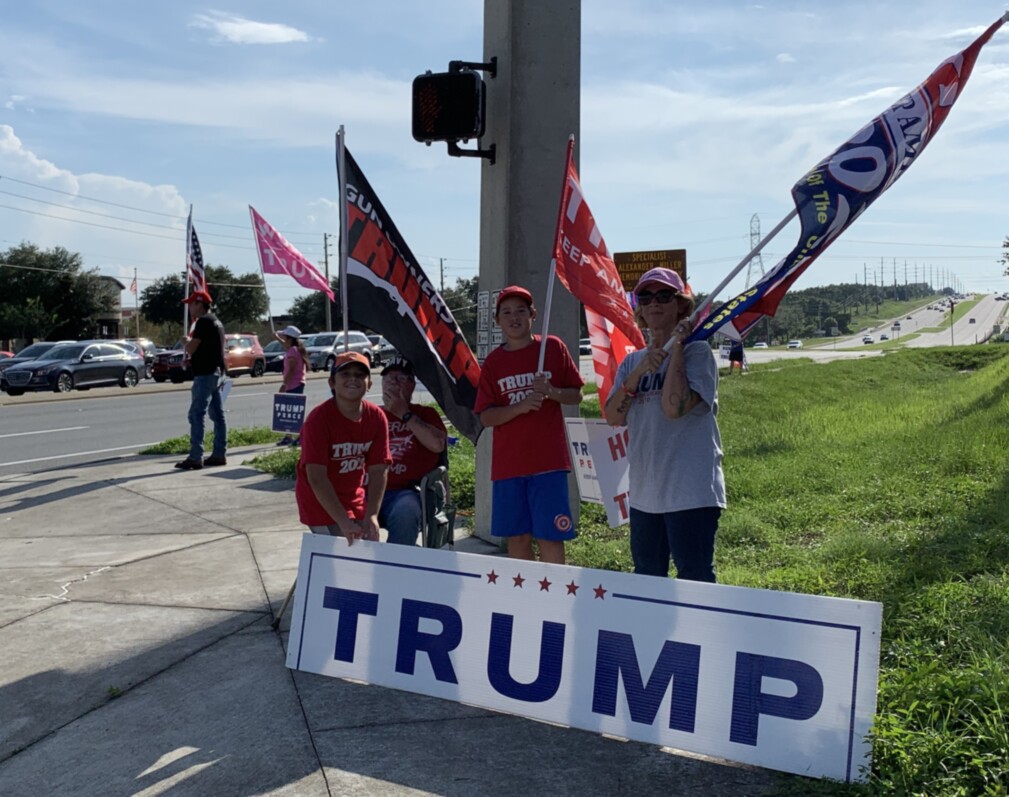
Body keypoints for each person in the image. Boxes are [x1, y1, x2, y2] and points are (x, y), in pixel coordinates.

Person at [603, 267, 725, 582]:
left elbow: (674, 408)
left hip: (690, 494)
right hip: (645, 495)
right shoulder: (633, 362)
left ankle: (697, 633)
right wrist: (638, 372)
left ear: (681, 304)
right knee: (646, 579)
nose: (654, 303)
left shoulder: (698, 353)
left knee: (694, 577)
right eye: (646, 297)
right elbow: (613, 416)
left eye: (664, 296)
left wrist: (679, 346)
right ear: (639, 308)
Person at [475, 285, 584, 564]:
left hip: (549, 464)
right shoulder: (493, 364)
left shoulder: (553, 348)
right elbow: (486, 417)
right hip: (509, 467)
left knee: (550, 535)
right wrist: (519, 407)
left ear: (533, 314)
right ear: (497, 321)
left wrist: (552, 392)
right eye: (507, 312)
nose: (514, 318)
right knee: (518, 537)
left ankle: (556, 598)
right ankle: (526, 601)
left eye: (521, 311)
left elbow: (576, 393)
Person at [295, 351, 391, 544]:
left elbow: (379, 469)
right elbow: (317, 477)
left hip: (353, 498)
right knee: (335, 556)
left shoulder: (376, 417)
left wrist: (372, 514)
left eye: (360, 375)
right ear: (332, 383)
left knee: (359, 553)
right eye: (345, 374)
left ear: (369, 384)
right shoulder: (318, 420)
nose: (352, 380)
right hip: (318, 502)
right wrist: (343, 522)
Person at [378, 356, 449, 545]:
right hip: (367, 489)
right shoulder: (370, 414)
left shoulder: (425, 414)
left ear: (412, 385)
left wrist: (404, 413)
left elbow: (437, 444)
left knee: (406, 512)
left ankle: (397, 565)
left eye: (400, 379)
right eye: (389, 379)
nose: (394, 384)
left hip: (405, 492)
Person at [175, 290, 227, 470]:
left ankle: (196, 456)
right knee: (218, 415)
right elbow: (209, 349)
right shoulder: (216, 322)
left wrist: (185, 342)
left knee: (196, 414)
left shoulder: (203, 322)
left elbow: (192, 347)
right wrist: (192, 359)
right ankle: (219, 453)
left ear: (199, 304)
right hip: (216, 372)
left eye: (191, 303)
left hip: (205, 374)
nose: (189, 307)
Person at [276, 325, 308, 446]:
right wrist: (277, 338)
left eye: (285, 337)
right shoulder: (295, 349)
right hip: (296, 383)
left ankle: (300, 436)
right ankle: (289, 436)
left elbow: (292, 369)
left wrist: (284, 384)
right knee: (290, 412)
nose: (283, 339)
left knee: (295, 411)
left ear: (289, 338)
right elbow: (285, 345)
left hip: (294, 384)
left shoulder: (292, 351)